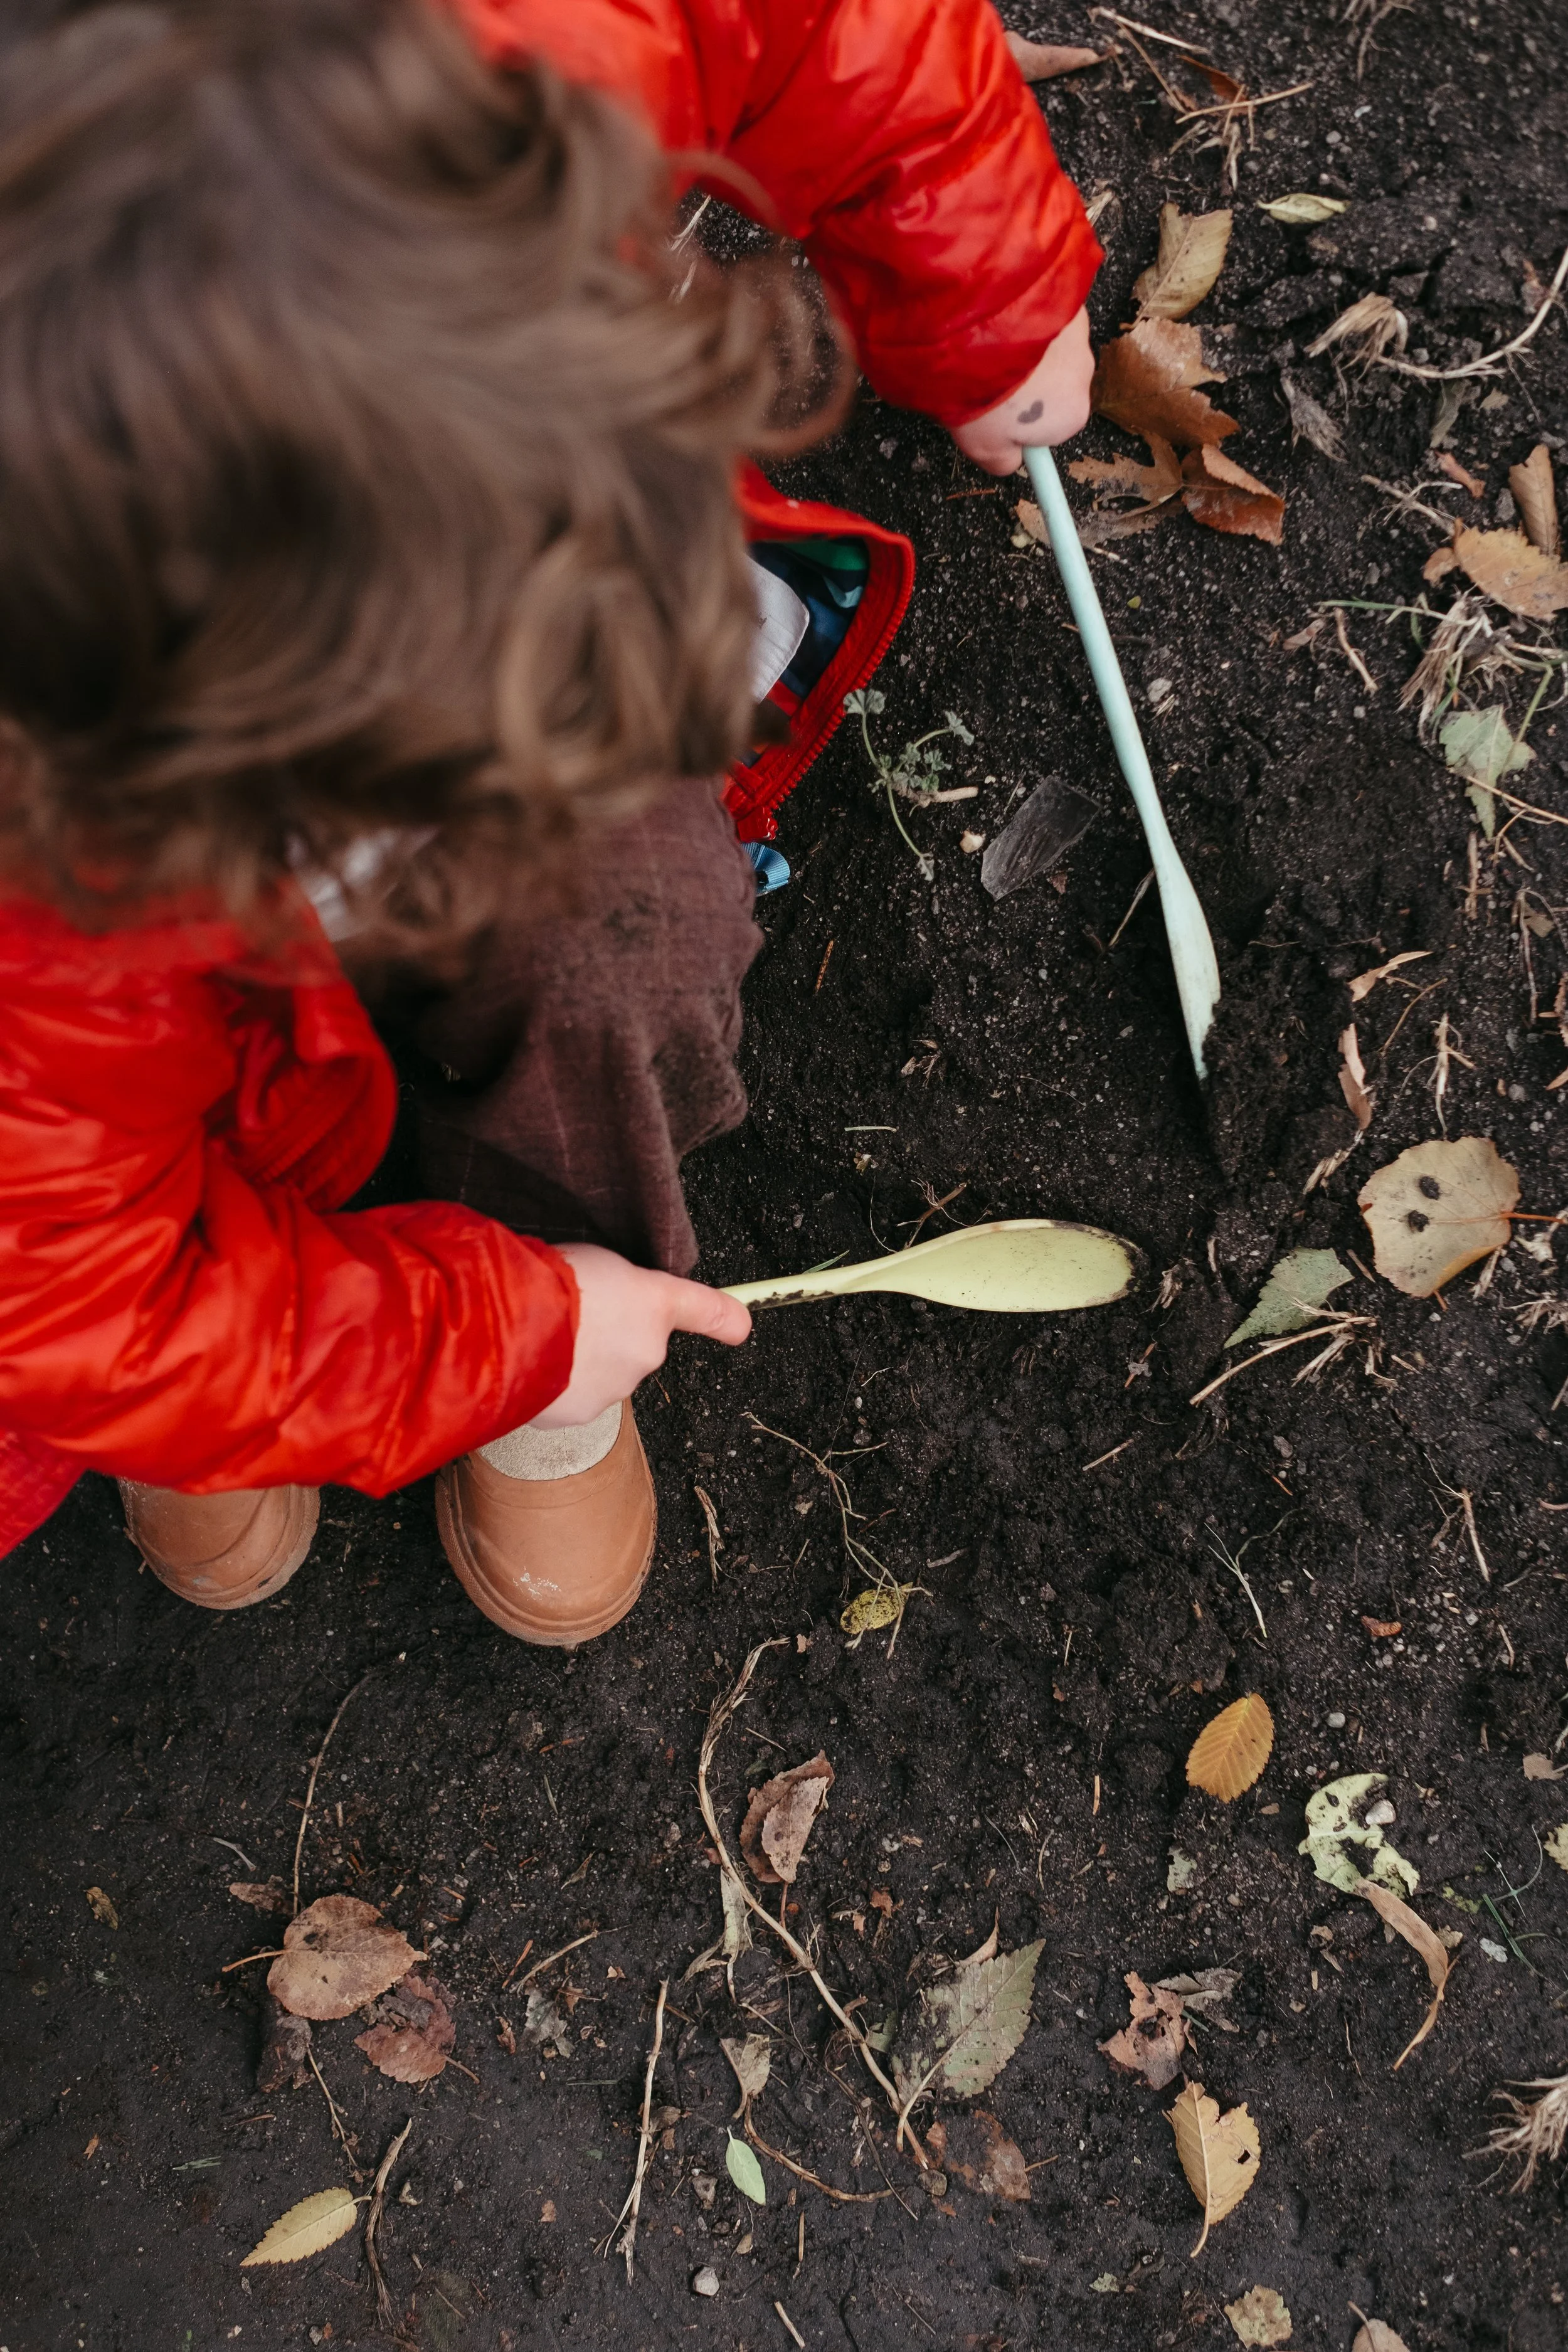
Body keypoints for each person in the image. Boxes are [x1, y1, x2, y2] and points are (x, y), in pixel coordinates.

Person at [0, 0, 1099, 1642]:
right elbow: (80, 1299)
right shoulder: (43, 946)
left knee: (623, 922)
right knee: (166, 1316)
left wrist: (990, 283)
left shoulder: (518, 43)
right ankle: (261, 1392)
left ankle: (556, 1360)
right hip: (105, 1088)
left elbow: (821, 29)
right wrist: (484, 1335)